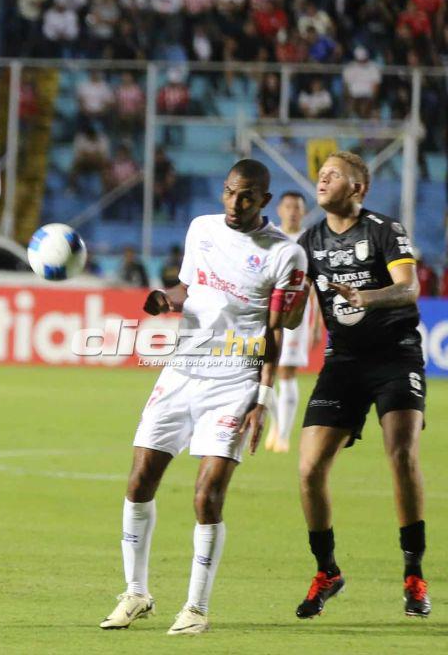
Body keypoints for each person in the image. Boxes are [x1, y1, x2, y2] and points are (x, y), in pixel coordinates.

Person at [99, 159, 308, 635]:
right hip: (181, 372)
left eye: (248, 196)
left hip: (235, 382)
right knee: (138, 481)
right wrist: (166, 299)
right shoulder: (202, 229)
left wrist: (264, 396)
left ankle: (196, 607)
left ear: (265, 201)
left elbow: (277, 331)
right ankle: (135, 593)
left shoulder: (283, 254)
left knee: (207, 496)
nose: (236, 203)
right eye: (231, 192)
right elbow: (189, 289)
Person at [293, 151, 431, 620]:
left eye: (333, 175)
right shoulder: (309, 241)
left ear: (358, 188)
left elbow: (409, 288)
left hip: (395, 353)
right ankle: (327, 571)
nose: (322, 179)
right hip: (343, 361)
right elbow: (295, 303)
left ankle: (414, 573)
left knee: (401, 453)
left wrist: (366, 297)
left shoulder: (383, 230)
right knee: (309, 469)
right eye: (321, 174)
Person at [266, 191, 320, 454]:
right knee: (263, 370)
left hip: (297, 313)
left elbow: (316, 285)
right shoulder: (271, 237)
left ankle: (284, 434)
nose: (292, 211)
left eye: (297, 207)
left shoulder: (310, 239)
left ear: (304, 212)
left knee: (286, 371)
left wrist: (316, 324)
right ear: (279, 209)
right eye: (287, 206)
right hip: (268, 310)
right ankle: (276, 423)